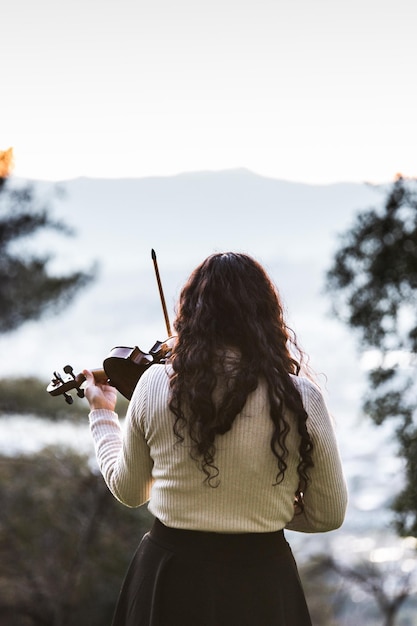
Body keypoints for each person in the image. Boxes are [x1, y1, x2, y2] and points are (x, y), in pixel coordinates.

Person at [84, 252, 348, 626]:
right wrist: (258, 508)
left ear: (190, 314)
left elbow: (130, 491)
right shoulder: (301, 397)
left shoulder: (155, 383)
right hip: (261, 580)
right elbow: (328, 515)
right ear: (267, 316)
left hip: (169, 577)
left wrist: (102, 414)